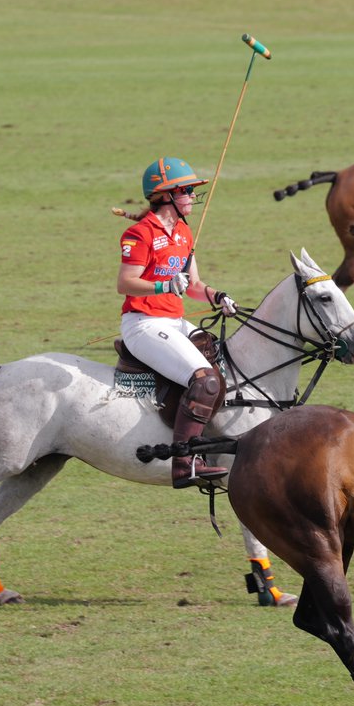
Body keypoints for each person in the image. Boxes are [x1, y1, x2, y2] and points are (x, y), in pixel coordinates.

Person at [118, 156, 238, 488]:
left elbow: (194, 284)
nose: (191, 197)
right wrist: (164, 285)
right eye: (186, 190)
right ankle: (185, 463)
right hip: (143, 323)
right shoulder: (139, 233)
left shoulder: (184, 231)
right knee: (205, 381)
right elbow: (125, 283)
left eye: (191, 190)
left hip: (174, 320)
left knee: (224, 363)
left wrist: (217, 296)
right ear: (165, 195)